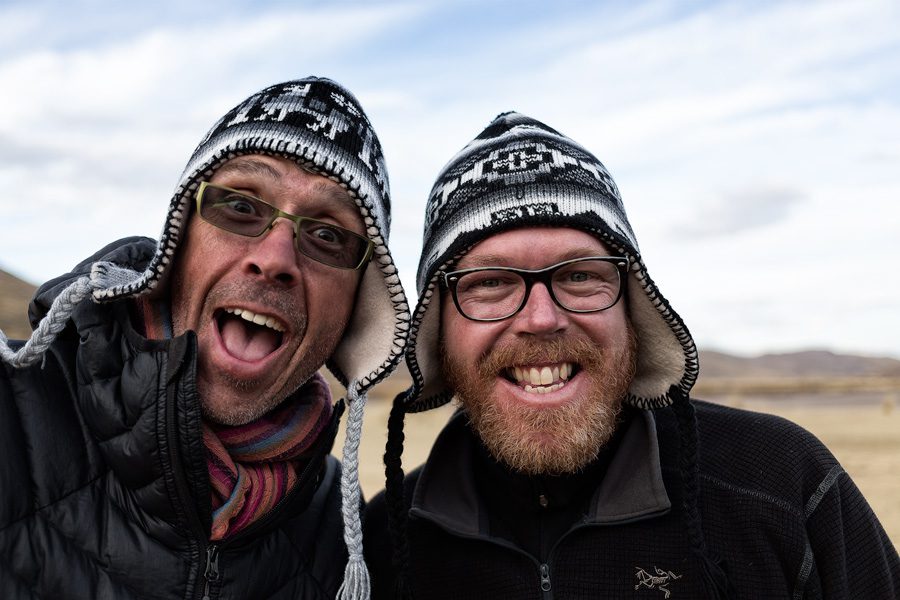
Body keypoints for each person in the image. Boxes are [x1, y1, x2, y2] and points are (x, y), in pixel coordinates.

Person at [362, 112, 900, 599]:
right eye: (492, 282)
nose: (542, 318)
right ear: (437, 328)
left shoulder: (780, 484)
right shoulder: (381, 544)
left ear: (635, 306)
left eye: (580, 275)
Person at [0, 77, 409, 600]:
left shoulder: (338, 529)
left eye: (328, 235)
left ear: (356, 307)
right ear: (178, 242)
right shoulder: (15, 415)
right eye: (240, 207)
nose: (276, 258)